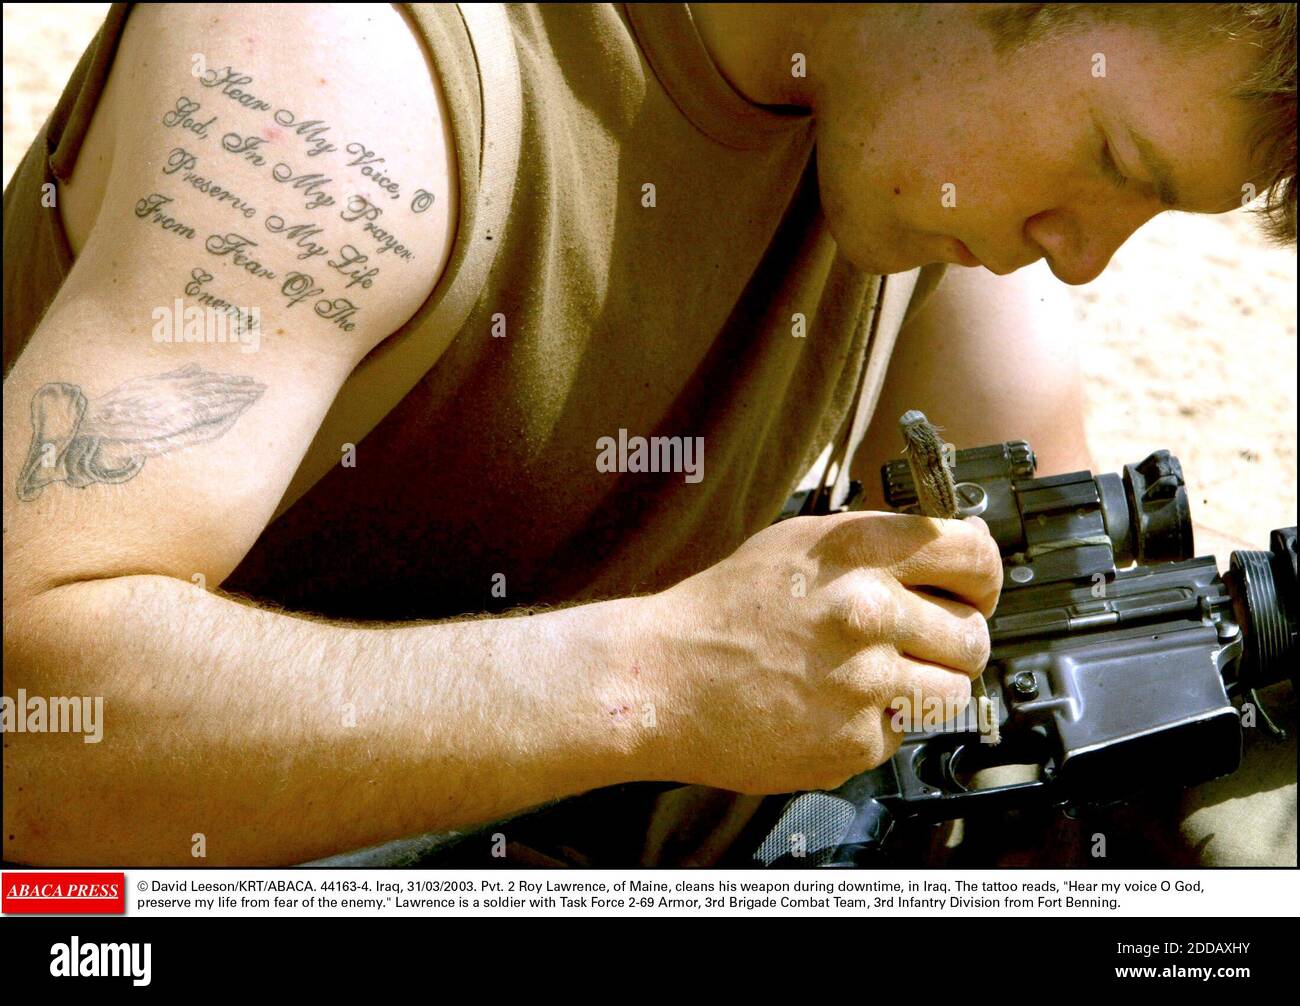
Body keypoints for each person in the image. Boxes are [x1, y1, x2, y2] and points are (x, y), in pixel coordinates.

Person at [2, 3, 1294, 867]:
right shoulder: (343, 80)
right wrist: (653, 685)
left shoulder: (923, 173)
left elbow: (1051, 668)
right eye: (1113, 157)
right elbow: (29, 707)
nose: (1085, 257)